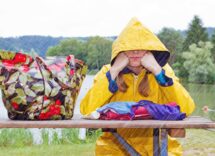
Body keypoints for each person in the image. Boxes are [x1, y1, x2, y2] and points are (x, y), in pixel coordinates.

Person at [80, 18, 195, 156]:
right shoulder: (108, 72)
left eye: (141, 47)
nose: (135, 52)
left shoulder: (162, 71)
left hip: (158, 147)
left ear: (150, 50)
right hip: (113, 148)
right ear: (120, 51)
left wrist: (158, 72)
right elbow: (86, 110)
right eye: (129, 48)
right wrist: (114, 71)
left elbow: (186, 109)